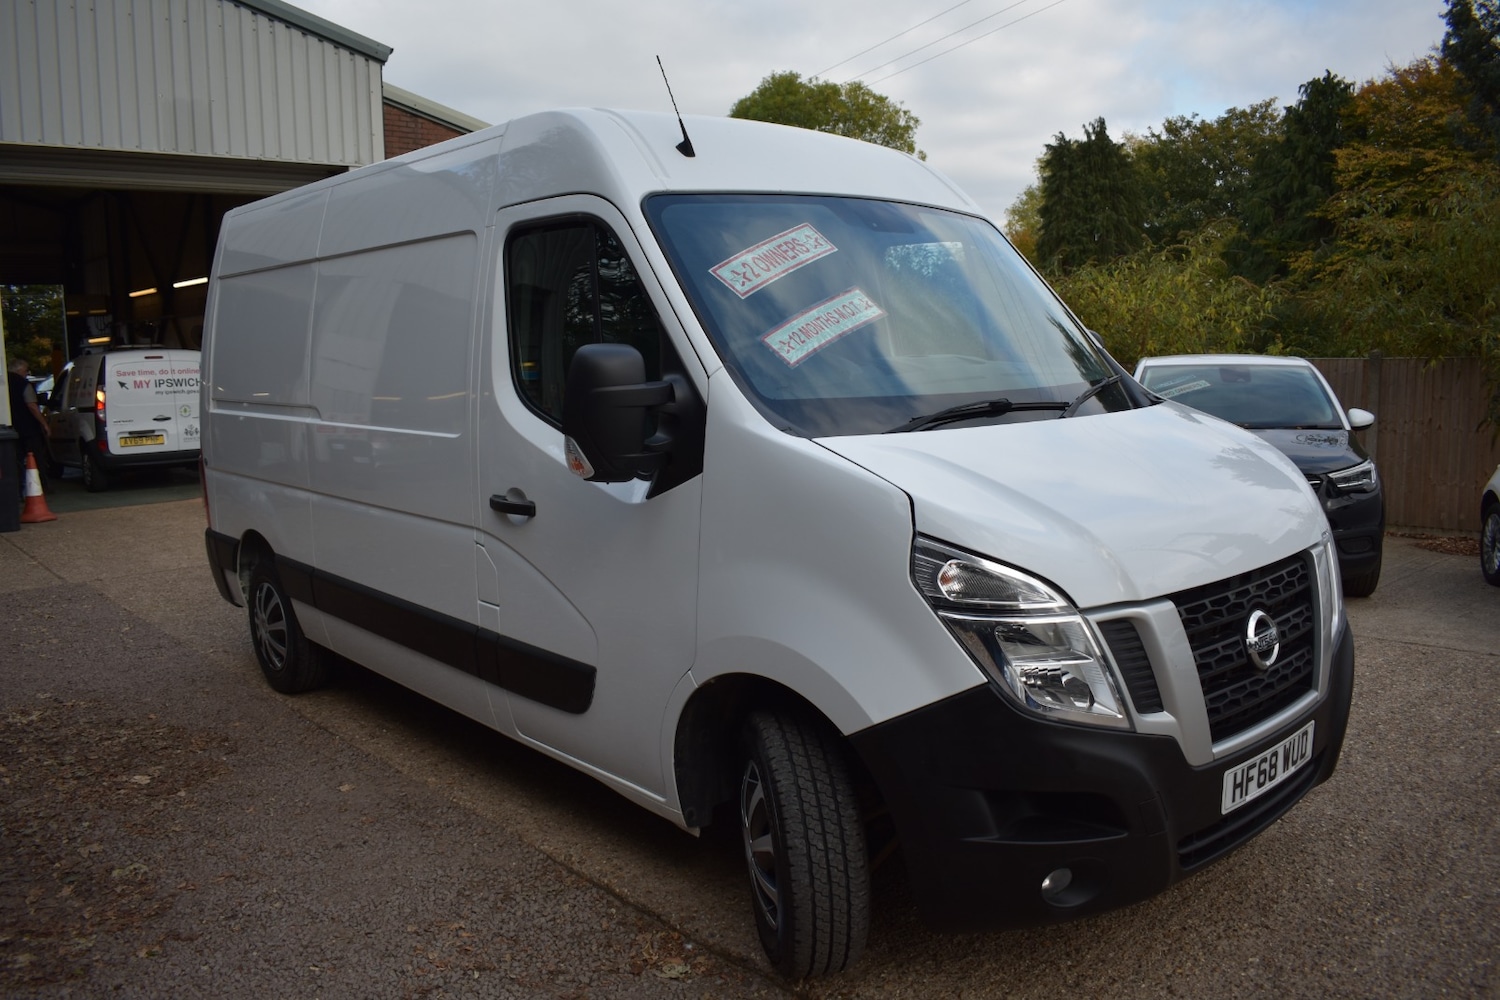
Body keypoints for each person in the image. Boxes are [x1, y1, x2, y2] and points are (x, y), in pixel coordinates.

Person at [7, 358, 50, 500]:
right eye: (26, 371)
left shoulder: (4, 384)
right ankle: (42, 485)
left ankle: (17, 490)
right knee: (37, 458)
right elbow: (32, 405)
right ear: (19, 371)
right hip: (29, 429)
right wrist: (44, 423)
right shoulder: (24, 384)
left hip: (11, 429)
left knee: (15, 461)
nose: (27, 373)